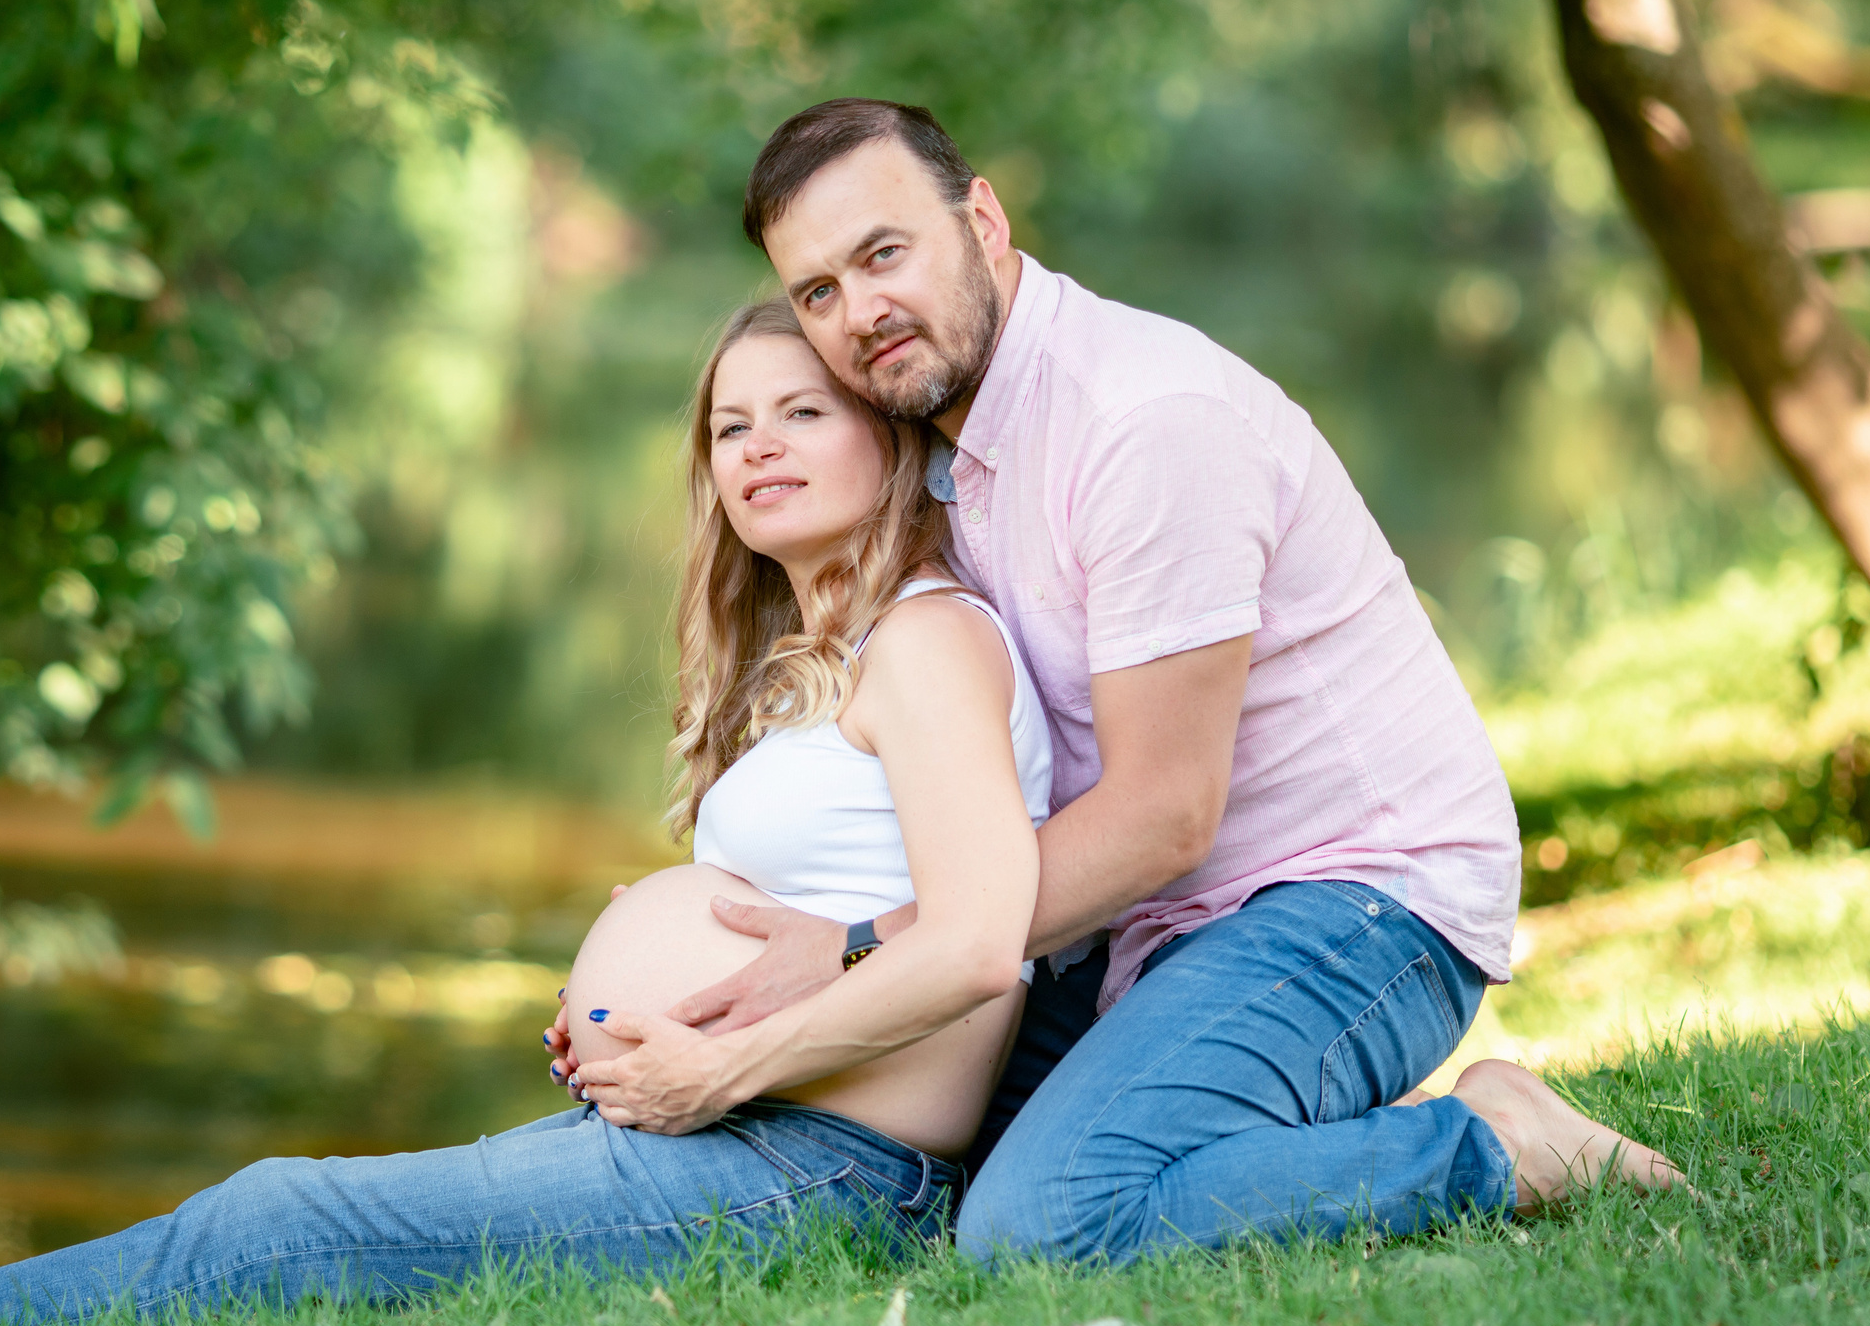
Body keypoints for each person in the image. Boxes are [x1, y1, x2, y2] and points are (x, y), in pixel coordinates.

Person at [0, 298, 1060, 1326]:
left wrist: (713, 1072)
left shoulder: (930, 643)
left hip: (819, 1174)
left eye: (803, 411)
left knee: (284, 1219)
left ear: (891, 438)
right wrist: (644, 1015)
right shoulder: (830, 657)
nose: (756, 446)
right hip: (751, 1135)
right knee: (306, 1216)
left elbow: (978, 945)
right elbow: (850, 915)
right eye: (730, 424)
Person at [558, 98, 1678, 1260]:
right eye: (818, 292)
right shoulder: (942, 433)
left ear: (982, 220)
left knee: (1041, 1219)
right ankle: (1255, 1113)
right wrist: (662, 975)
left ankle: (1494, 1146)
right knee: (920, 1169)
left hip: (1354, 902)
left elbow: (1162, 817)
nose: (860, 315)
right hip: (1135, 928)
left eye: (883, 254)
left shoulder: (1143, 423)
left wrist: (855, 943)